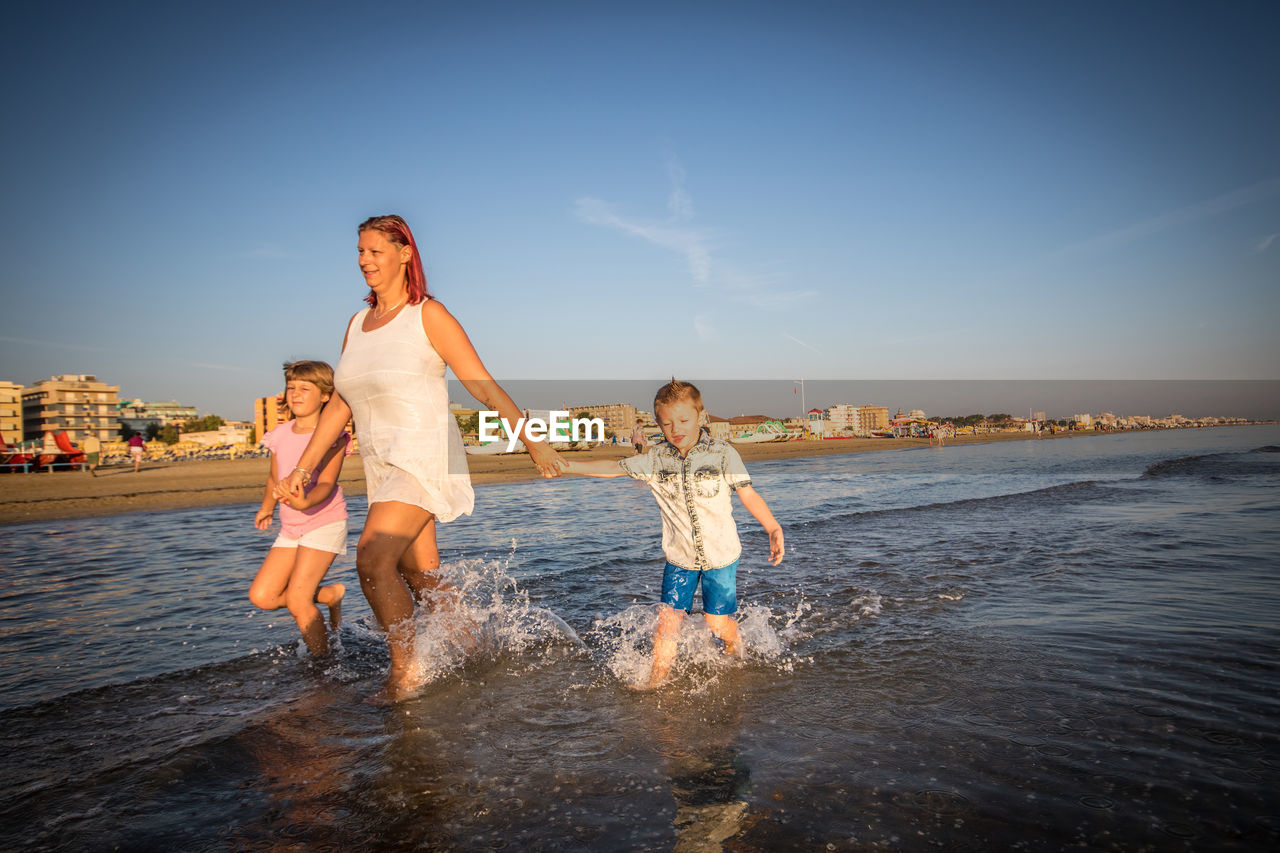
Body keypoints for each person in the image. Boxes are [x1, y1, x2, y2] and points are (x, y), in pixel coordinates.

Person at [278, 214, 562, 701]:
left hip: (423, 457)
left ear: (405, 253)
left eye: (375, 251)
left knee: (372, 559)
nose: (365, 261)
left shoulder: (428, 314)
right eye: (360, 253)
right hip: (382, 464)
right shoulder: (357, 323)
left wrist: (530, 437)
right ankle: (476, 650)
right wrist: (303, 467)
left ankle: (405, 672)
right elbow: (341, 402)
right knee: (419, 575)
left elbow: (480, 383)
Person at [560, 380, 784, 688]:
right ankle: (657, 681)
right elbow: (614, 466)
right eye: (667, 424)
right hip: (680, 557)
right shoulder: (655, 460)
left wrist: (772, 527)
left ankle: (735, 643)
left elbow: (747, 493)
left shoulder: (722, 454)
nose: (675, 429)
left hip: (720, 555)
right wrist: (566, 465)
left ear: (701, 417)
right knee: (668, 622)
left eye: (683, 420)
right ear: (658, 424)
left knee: (715, 623)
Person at [249, 360, 349, 656]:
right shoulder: (279, 434)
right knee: (263, 596)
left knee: (298, 600)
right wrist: (267, 508)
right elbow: (273, 478)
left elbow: (327, 483)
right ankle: (330, 594)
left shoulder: (334, 436)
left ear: (326, 396)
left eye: (305, 388)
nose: (295, 394)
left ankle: (322, 666)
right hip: (291, 527)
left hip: (325, 521)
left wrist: (305, 501)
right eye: (291, 388)